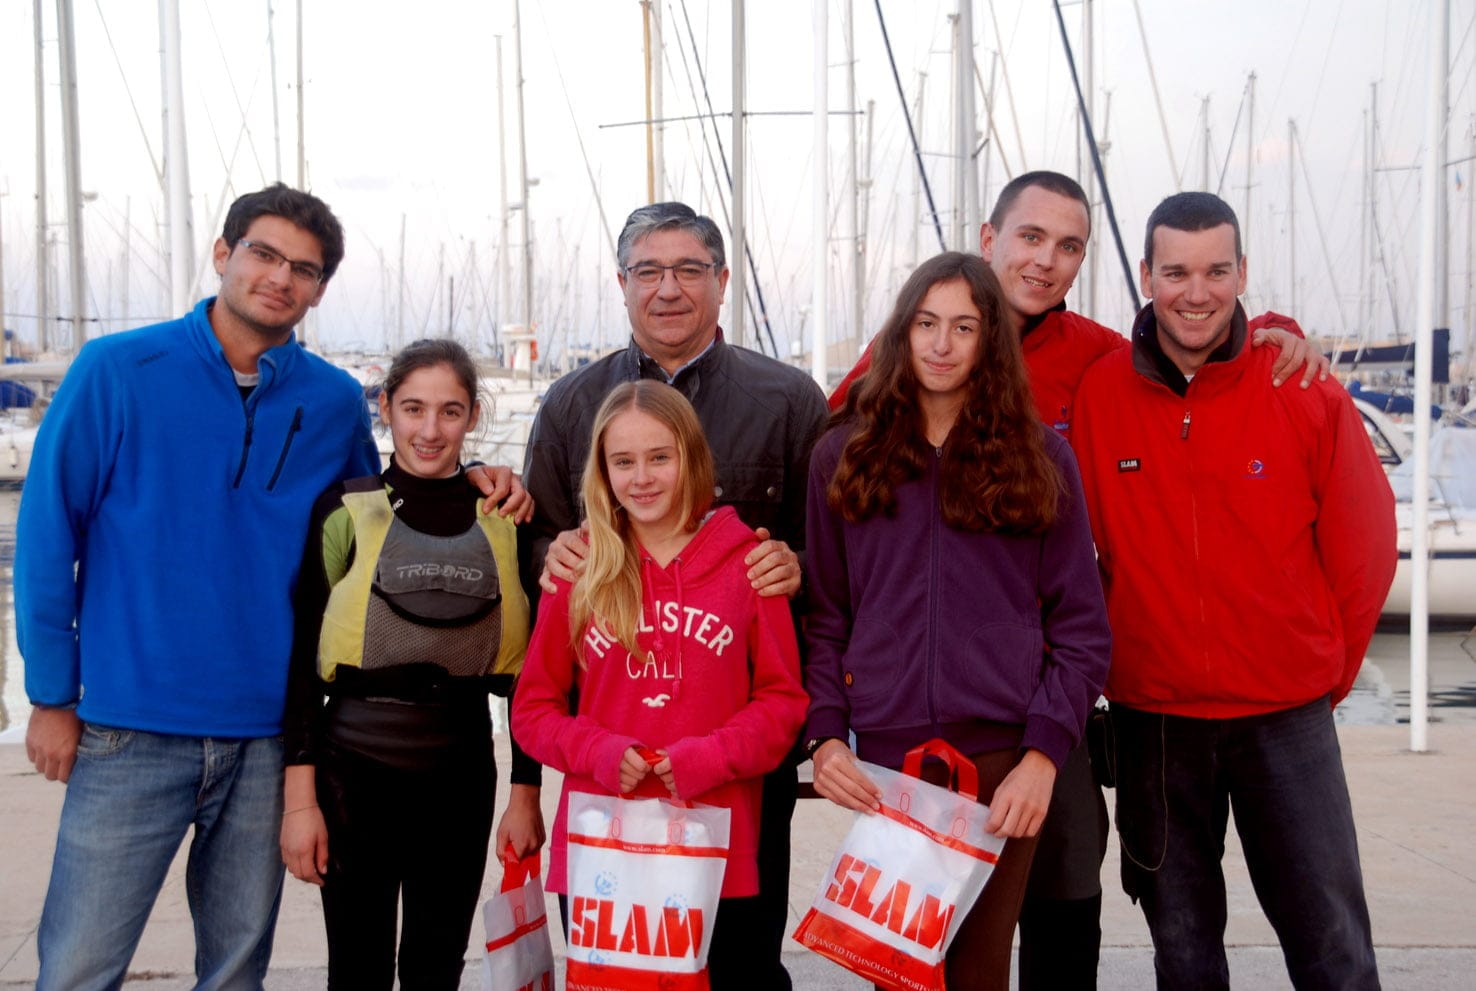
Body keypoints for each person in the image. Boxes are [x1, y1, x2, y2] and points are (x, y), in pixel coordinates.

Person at [826, 170, 1330, 988]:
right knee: (932, 948)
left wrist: (1272, 327)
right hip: (915, 720)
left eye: (1069, 247)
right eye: (1031, 237)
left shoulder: (1099, 359)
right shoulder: (913, 351)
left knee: (1066, 892)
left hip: (1041, 704)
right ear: (989, 239)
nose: (1047, 261)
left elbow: (1195, 350)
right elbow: (833, 477)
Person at [16, 183, 525, 990]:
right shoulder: (116, 369)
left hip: (267, 740)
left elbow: (383, 522)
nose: (281, 277)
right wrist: (51, 693)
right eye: (264, 253)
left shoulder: (327, 400)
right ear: (224, 255)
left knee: (235, 971)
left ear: (320, 290)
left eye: (305, 268)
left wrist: (482, 480)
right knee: (79, 964)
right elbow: (48, 534)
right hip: (126, 727)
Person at [1070, 191, 1395, 990]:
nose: (1197, 290)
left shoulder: (1303, 387)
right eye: (1175, 270)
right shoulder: (1100, 394)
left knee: (1333, 945)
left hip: (1285, 719)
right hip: (1155, 722)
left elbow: (1365, 550)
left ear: (1242, 271)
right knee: (1182, 950)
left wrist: (1322, 677)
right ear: (1145, 276)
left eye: (1217, 269)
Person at [520, 200, 828, 987]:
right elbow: (538, 561)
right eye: (648, 270)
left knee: (741, 961)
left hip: (735, 771)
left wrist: (793, 564)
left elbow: (831, 558)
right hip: (607, 781)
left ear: (722, 281)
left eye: (689, 269)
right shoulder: (568, 405)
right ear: (621, 283)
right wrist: (545, 552)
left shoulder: (789, 399)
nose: (668, 288)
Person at [804, 251, 1112, 991]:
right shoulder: (842, 457)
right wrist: (824, 737)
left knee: (977, 971)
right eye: (927, 323)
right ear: (902, 334)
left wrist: (1043, 757)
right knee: (898, 972)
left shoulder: (1043, 460)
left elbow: (1082, 630)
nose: (942, 343)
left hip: (1004, 760)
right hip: (888, 761)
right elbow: (825, 618)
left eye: (964, 326)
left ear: (989, 342)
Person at [279, 339, 541, 990]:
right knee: (359, 968)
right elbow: (302, 666)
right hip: (351, 773)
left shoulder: (506, 515)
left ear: (474, 415)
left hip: (458, 774)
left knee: (435, 966)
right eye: (413, 408)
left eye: (450, 411)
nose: (430, 430)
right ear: (386, 408)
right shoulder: (344, 508)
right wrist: (298, 802)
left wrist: (525, 795)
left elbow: (532, 681)